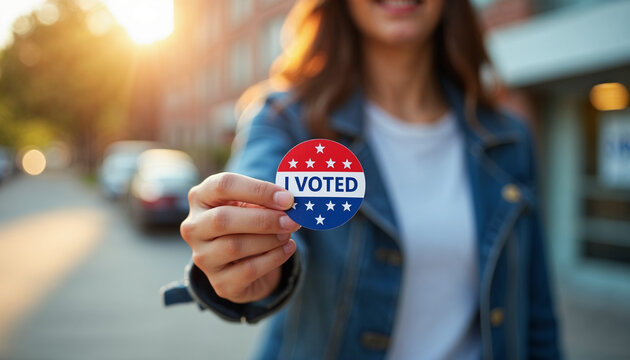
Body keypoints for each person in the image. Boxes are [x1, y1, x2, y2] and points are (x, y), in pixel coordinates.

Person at [163, 0, 562, 359]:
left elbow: (536, 308)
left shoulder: (508, 137)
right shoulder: (284, 118)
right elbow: (261, 202)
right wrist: (251, 257)